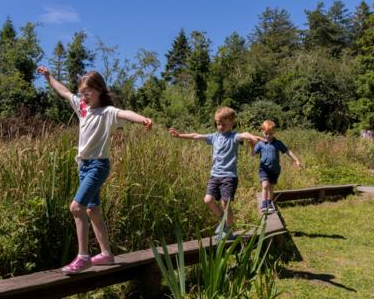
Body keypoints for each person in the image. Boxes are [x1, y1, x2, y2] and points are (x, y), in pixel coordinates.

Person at [38, 66, 152, 274]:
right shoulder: (82, 108)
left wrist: (143, 118)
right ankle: (106, 253)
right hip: (84, 166)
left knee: (76, 207)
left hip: (98, 166)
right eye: (82, 92)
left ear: (99, 90)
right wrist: (48, 76)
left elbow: (125, 113)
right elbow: (64, 92)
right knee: (92, 209)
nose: (84, 96)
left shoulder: (107, 113)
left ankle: (83, 257)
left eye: (88, 92)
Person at [168, 107, 260, 239]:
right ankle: (223, 220)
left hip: (228, 176)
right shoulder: (214, 137)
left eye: (224, 124)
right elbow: (196, 135)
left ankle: (229, 228)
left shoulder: (234, 137)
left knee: (225, 202)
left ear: (232, 123)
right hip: (215, 175)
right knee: (208, 200)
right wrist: (180, 135)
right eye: (218, 124)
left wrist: (251, 137)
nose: (220, 126)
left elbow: (244, 134)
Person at [250, 120, 302, 214]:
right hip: (264, 169)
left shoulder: (278, 143)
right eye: (266, 133)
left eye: (270, 134)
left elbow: (287, 151)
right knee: (265, 185)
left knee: (271, 187)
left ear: (274, 133)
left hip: (275, 170)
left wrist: (296, 160)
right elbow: (252, 154)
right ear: (262, 132)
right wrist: (252, 146)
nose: (268, 136)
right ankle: (264, 204)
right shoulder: (261, 144)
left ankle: (270, 203)